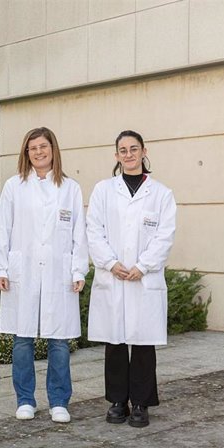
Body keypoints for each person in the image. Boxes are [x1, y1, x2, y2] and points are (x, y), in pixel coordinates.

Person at [0, 127, 88, 424]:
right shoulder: (14, 186)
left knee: (58, 340)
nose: (38, 152)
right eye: (32, 148)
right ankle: (25, 399)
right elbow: (3, 229)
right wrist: (1, 267)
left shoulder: (70, 188)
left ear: (53, 150)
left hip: (59, 272)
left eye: (43, 146)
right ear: (26, 153)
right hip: (25, 272)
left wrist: (78, 268)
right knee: (23, 340)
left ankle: (59, 400)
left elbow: (78, 233)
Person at [86, 130, 176, 428]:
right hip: (113, 276)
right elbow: (93, 230)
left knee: (142, 342)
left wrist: (143, 265)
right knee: (115, 341)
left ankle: (140, 403)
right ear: (116, 156)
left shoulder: (161, 193)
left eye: (133, 149)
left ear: (143, 151)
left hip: (143, 278)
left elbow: (165, 235)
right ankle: (116, 402)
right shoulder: (103, 190)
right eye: (122, 150)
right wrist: (111, 263)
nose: (128, 154)